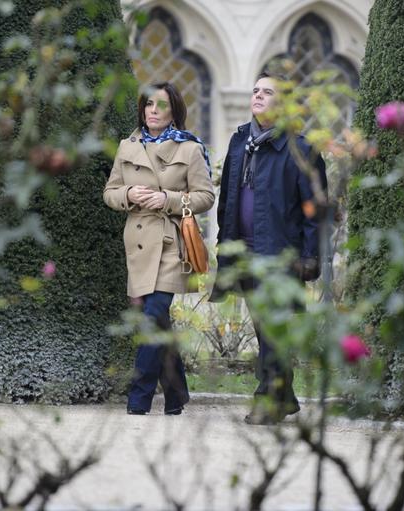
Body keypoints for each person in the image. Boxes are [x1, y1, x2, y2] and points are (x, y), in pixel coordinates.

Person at [211, 72, 327, 425]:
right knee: (266, 330)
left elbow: (315, 210)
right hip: (243, 251)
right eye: (255, 90)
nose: (258, 96)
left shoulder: (301, 149)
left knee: (273, 331)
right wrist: (223, 242)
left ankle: (268, 402)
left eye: (268, 92)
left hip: (280, 255)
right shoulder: (239, 141)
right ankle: (285, 397)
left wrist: (310, 256)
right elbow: (228, 197)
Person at [103, 82, 214, 415]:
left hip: (170, 242)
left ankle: (138, 399)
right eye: (148, 104)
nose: (153, 110)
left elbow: (205, 197)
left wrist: (168, 199)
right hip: (138, 241)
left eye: (161, 105)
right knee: (158, 321)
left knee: (153, 316)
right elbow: (110, 192)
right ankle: (177, 393)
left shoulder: (190, 149)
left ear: (173, 110)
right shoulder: (127, 146)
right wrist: (129, 196)